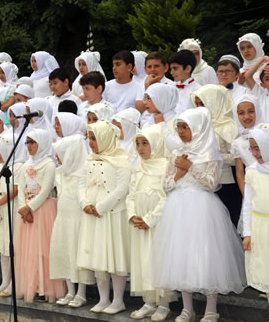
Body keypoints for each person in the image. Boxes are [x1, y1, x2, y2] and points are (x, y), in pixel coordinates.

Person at [151, 108, 246, 322]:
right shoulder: (175, 154)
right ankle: (187, 309)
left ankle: (211, 308)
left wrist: (191, 167)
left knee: (206, 255)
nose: (182, 131)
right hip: (178, 208)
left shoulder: (211, 154)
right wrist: (179, 173)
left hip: (203, 208)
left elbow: (212, 184)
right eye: (179, 127)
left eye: (186, 127)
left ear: (198, 128)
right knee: (181, 255)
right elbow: (165, 185)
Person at [77, 121, 131, 315]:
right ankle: (103, 298)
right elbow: (81, 183)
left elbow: (122, 188)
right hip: (92, 214)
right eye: (89, 138)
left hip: (111, 214)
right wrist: (84, 203)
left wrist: (101, 206)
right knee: (98, 255)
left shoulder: (121, 160)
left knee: (114, 257)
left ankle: (117, 300)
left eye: (94, 138)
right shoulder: (89, 159)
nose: (91, 142)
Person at [126, 126, 174, 321]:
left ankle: (163, 303)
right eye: (137, 143)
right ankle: (148, 301)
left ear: (156, 143)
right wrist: (132, 215)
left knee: (157, 260)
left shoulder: (165, 166)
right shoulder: (138, 167)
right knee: (142, 260)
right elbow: (130, 195)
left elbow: (167, 197)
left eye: (145, 143)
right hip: (139, 223)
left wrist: (149, 219)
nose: (140, 148)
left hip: (156, 224)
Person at [14, 129, 65, 303]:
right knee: (28, 250)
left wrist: (30, 207)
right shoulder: (25, 165)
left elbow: (46, 190)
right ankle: (32, 286)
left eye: (31, 142)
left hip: (43, 211)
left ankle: (45, 288)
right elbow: (20, 187)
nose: (28, 146)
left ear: (41, 143)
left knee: (42, 249)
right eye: (27, 142)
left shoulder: (49, 164)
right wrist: (22, 207)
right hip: (27, 211)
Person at [50, 135, 94, 308]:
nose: (57, 157)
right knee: (64, 252)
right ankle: (70, 290)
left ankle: (81, 293)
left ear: (70, 154)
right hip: (62, 219)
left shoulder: (83, 172)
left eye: (60, 153)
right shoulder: (60, 172)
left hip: (77, 220)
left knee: (77, 254)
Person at [191, 85, 242, 226]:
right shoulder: (200, 126)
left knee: (231, 223)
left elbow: (237, 158)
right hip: (205, 183)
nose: (200, 107)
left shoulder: (228, 127)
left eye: (203, 103)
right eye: (197, 104)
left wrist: (215, 156)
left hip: (226, 183)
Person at [241, 124, 269, 322]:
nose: (255, 153)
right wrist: (248, 233)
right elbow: (247, 205)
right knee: (268, 275)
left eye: (258, 147)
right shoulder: (252, 171)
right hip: (260, 228)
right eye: (252, 148)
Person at [0, 134, 23, 297]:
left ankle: (12, 283)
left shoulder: (18, 166)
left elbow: (15, 189)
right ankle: (4, 281)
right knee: (1, 247)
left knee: (10, 247)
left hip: (9, 207)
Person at [244, 55, 269, 124]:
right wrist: (263, 59)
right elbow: (247, 76)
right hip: (266, 133)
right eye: (267, 79)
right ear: (262, 85)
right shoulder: (261, 94)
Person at [169, 50, 201, 114]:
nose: (171, 72)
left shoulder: (198, 90)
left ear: (188, 69)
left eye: (175, 68)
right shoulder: (170, 87)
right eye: (171, 69)